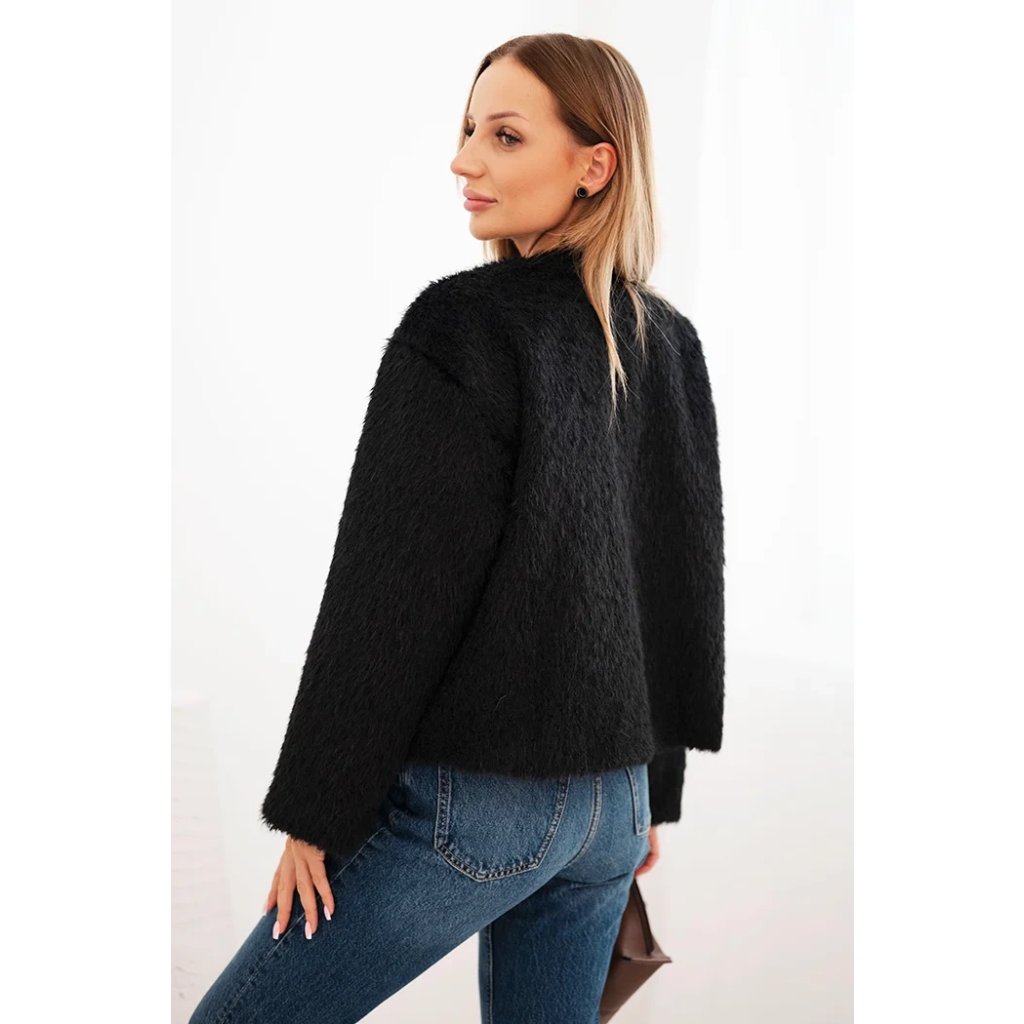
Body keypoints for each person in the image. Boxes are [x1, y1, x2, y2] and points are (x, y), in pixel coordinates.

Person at [190, 32, 724, 1024]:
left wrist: (316, 812)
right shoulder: (667, 339)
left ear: (593, 164)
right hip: (611, 812)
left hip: (485, 808)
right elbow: (675, 581)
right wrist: (650, 789)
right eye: (469, 129)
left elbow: (392, 588)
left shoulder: (463, 325)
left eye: (505, 136)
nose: (463, 159)